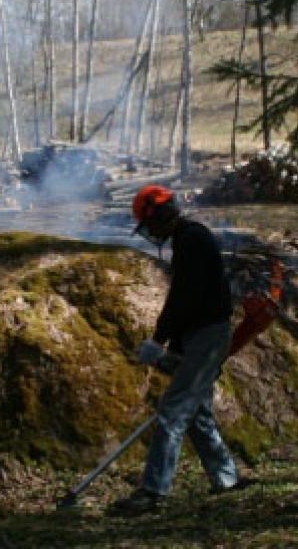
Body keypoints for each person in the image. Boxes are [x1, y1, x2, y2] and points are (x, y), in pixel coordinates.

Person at [110, 185, 248, 516]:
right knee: (197, 411)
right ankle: (226, 478)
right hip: (200, 334)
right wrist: (172, 347)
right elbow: (189, 301)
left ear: (161, 214)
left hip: (207, 334)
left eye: (150, 223)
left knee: (173, 409)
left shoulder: (191, 241)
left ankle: (153, 491)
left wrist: (158, 339)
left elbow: (183, 299)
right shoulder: (188, 239)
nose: (151, 232)